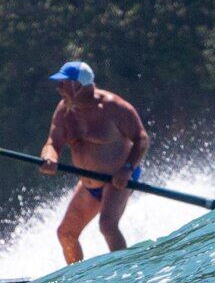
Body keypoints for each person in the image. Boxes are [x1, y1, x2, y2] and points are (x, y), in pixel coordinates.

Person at [38, 60, 150, 263]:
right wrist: (49, 157)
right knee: (66, 233)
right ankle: (78, 279)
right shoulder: (64, 110)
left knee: (107, 225)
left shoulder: (113, 107)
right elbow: (52, 143)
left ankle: (126, 271)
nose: (59, 88)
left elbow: (141, 139)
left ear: (78, 86)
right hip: (89, 184)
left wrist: (126, 169)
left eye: (63, 83)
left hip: (118, 179)